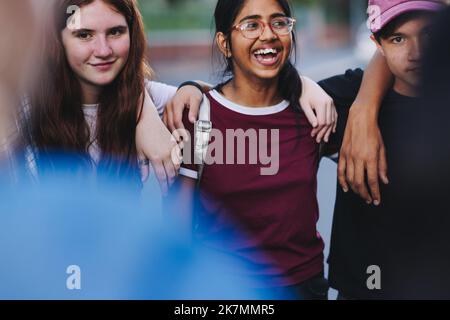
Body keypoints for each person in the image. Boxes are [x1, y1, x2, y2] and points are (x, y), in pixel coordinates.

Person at [169, 0, 335, 300]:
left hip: (304, 288)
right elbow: (176, 225)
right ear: (225, 43)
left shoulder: (314, 112)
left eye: (279, 22)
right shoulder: (199, 115)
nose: (268, 34)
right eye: (251, 24)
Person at [320, 0, 448, 299]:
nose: (416, 53)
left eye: (428, 35)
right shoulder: (343, 97)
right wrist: (196, 88)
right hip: (365, 287)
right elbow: (261, 102)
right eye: (398, 39)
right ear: (377, 43)